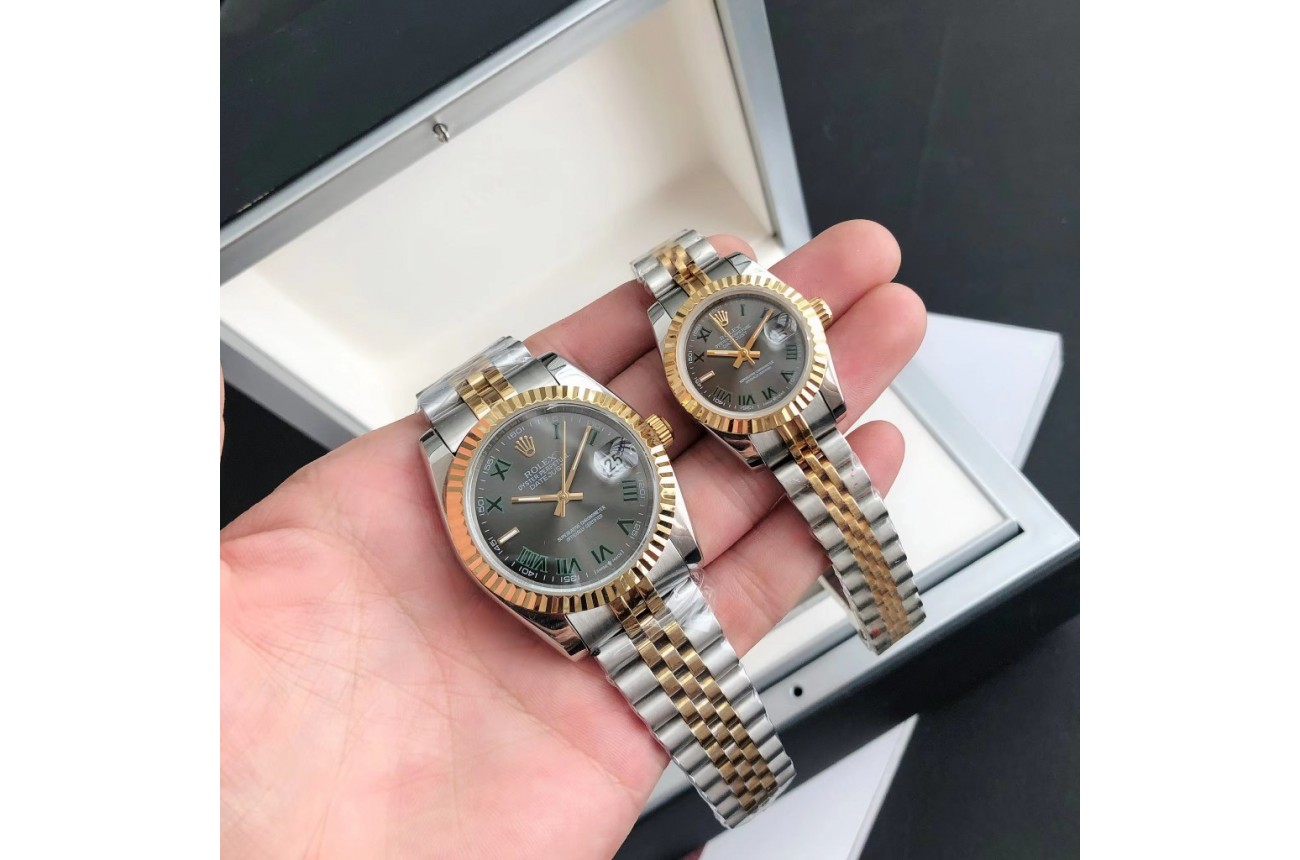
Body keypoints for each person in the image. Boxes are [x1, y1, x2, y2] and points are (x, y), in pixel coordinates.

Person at [220, 220, 926, 857]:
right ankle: (752, 780)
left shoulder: (577, 413)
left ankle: (757, 775)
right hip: (584, 588)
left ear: (646, 435)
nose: (564, 501)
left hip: (630, 545)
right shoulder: (454, 468)